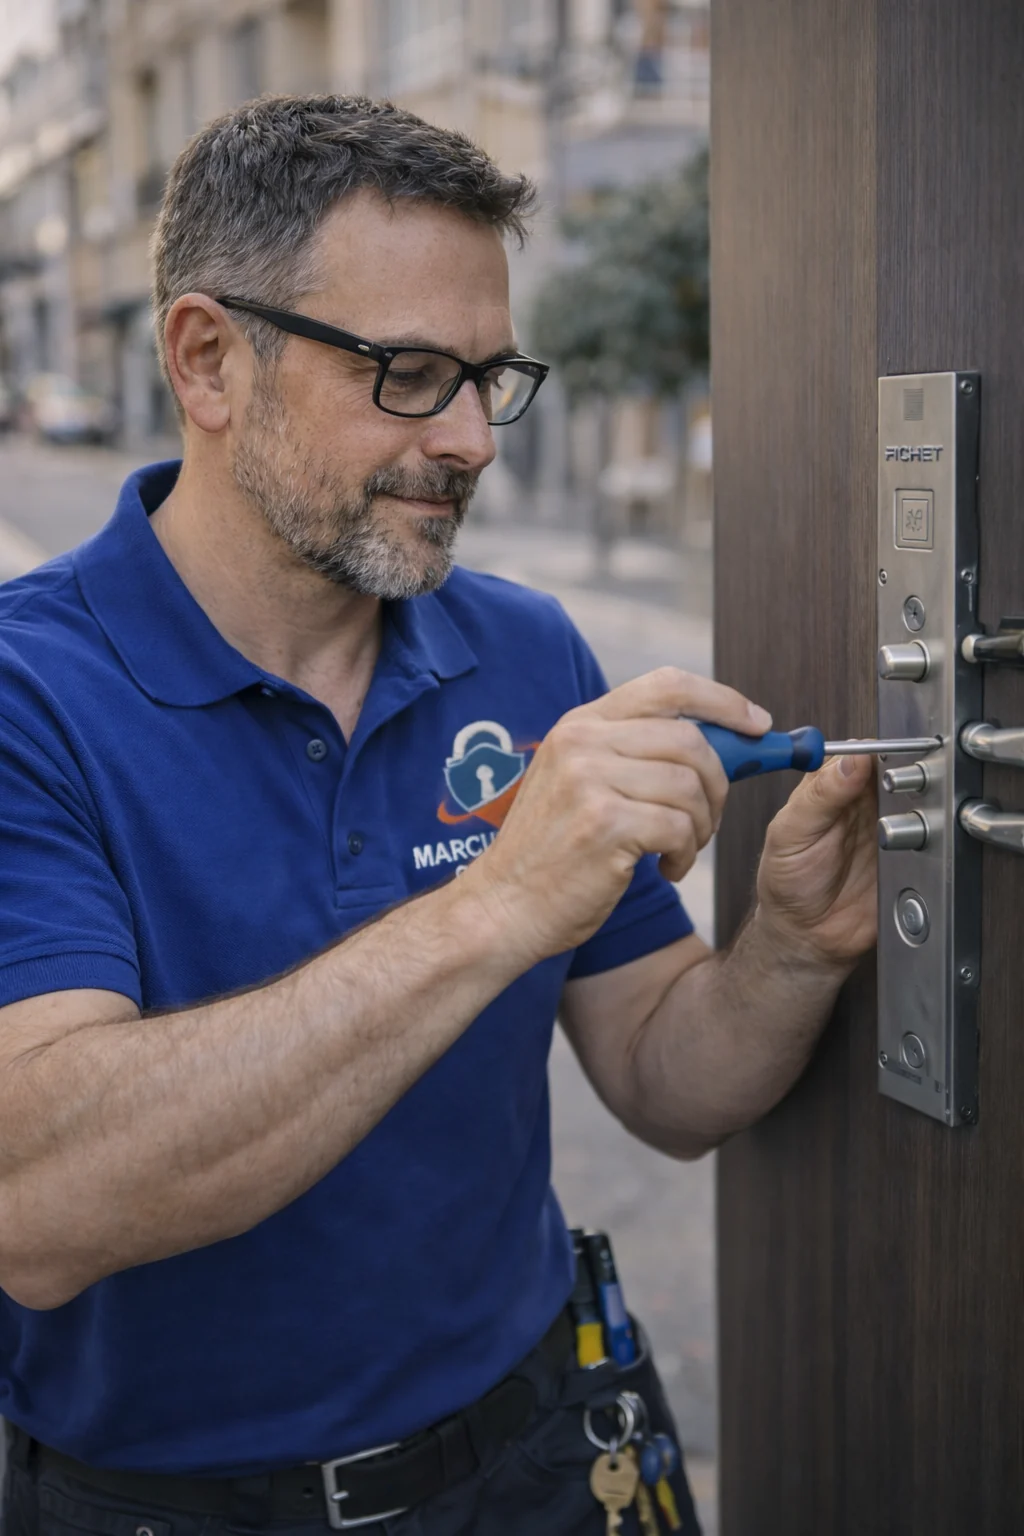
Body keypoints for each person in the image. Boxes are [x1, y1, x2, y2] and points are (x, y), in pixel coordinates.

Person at [0, 96, 877, 1536]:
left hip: (541, 1458)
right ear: (209, 359)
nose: (474, 440)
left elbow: (665, 1078)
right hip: (162, 1507)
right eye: (410, 374)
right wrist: (496, 905)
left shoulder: (525, 651)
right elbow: (38, 1202)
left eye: (490, 376)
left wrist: (790, 945)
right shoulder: (28, 695)